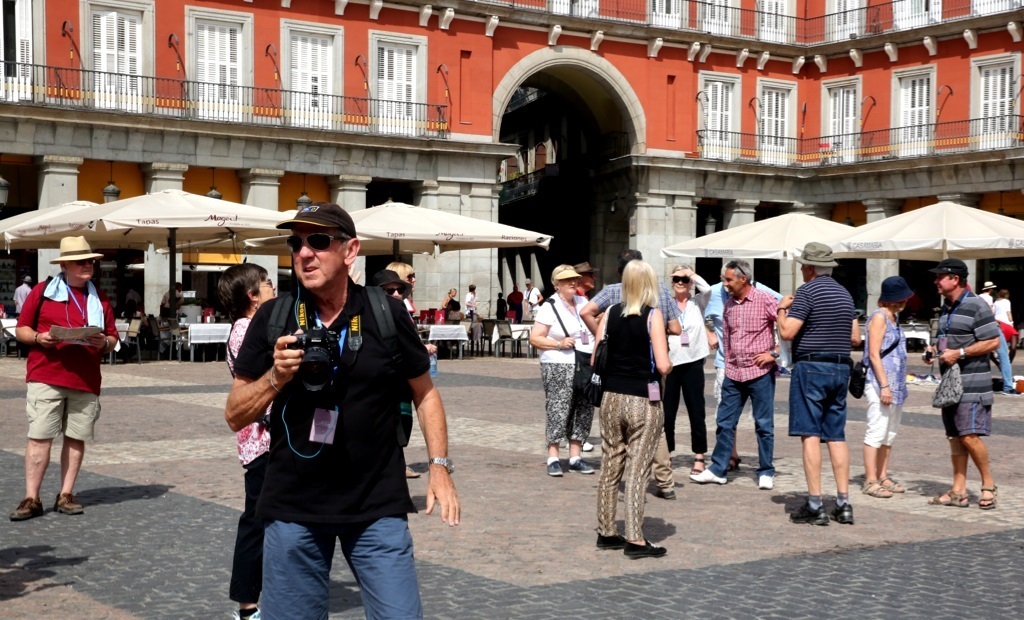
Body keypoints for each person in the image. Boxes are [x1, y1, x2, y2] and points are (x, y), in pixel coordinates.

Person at [225, 203, 459, 618]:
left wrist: (438, 466)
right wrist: (275, 378)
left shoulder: (385, 312)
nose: (304, 253)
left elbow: (425, 393)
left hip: (376, 506)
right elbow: (234, 414)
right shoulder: (274, 318)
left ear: (350, 250)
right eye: (295, 243)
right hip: (292, 507)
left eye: (318, 241)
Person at [10, 237, 119, 521]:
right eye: (82, 261)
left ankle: (66, 493)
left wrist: (102, 343)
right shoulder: (43, 291)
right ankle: (31, 497)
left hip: (85, 378)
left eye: (91, 261)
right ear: (66, 265)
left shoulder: (100, 297)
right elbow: (21, 329)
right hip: (46, 374)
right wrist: (38, 338)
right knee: (40, 436)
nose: (88, 266)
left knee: (76, 437)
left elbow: (112, 337)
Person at [777, 242, 860, 526]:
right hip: (840, 368)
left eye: (803, 266)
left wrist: (781, 310)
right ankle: (843, 501)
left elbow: (787, 332)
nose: (801, 270)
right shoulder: (845, 294)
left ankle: (815, 503)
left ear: (811, 268)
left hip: (811, 367)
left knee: (809, 434)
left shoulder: (808, 291)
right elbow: (854, 339)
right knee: (836, 436)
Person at [594, 260, 672, 559]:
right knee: (638, 471)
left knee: (610, 465)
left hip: (611, 397)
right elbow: (663, 364)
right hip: (643, 399)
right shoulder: (653, 316)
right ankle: (635, 539)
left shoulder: (610, 313)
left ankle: (606, 531)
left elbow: (595, 359)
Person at [217, 263, 276, 620]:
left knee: (268, 520)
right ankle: (247, 606)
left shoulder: (255, 326)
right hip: (261, 439)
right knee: (256, 521)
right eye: (268, 284)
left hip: (264, 438)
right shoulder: (246, 331)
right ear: (253, 296)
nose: (273, 288)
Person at [691, 260, 778, 492]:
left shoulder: (764, 299)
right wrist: (728, 362)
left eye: (728, 279)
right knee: (724, 422)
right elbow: (727, 337)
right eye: (723, 279)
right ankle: (719, 469)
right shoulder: (728, 304)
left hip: (760, 373)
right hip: (733, 372)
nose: (724, 283)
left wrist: (774, 353)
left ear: (743, 279)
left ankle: (766, 470)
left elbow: (787, 327)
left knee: (764, 424)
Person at [922, 258, 1000, 510]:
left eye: (939, 277)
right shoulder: (946, 307)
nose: (936, 281)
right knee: (955, 437)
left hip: (973, 383)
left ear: (955, 279)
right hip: (950, 383)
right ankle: (958, 490)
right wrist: (933, 349)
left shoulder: (977, 305)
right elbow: (947, 341)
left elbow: (992, 342)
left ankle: (988, 484)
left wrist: (961, 353)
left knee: (969, 436)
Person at [529, 265, 595, 476]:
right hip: (558, 363)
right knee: (558, 407)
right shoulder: (550, 306)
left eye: (575, 279)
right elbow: (535, 338)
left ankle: (575, 457)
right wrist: (558, 344)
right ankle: (553, 457)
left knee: (583, 408)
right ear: (557, 285)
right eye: (567, 281)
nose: (573, 283)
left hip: (584, 362)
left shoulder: (584, 302)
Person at [653, 265, 711, 500]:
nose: (680, 282)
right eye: (676, 278)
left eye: (683, 279)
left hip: (694, 361)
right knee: (668, 412)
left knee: (697, 410)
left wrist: (692, 274)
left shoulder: (698, 302)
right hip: (671, 362)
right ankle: (668, 454)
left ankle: (699, 456)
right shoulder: (664, 302)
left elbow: (707, 288)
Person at [373, 268, 435, 480]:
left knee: (402, 423)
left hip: (402, 380)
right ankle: (391, 465)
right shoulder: (374, 315)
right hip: (384, 382)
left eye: (400, 289)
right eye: (390, 291)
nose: (397, 294)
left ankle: (397, 462)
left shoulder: (402, 311)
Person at [861, 276, 913, 500]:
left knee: (889, 433)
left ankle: (882, 475)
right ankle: (870, 479)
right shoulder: (879, 318)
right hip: (880, 383)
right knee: (876, 430)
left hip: (896, 385)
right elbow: (873, 354)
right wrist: (884, 386)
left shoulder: (894, 318)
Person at [978, 281, 1017, 396]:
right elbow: (991, 312)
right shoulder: (990, 298)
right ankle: (1008, 387)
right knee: (1004, 355)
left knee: (984, 352)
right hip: (995, 325)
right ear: (990, 289)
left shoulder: (978, 297)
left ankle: (982, 383)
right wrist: (1011, 322)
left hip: (980, 326)